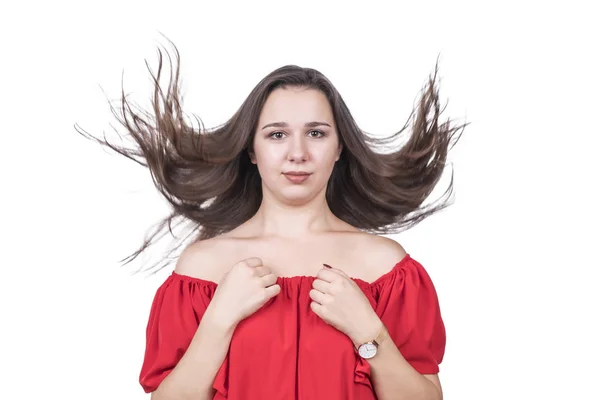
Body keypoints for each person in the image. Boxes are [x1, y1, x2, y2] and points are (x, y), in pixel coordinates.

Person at [78, 44, 465, 400]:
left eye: (316, 133)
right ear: (251, 149)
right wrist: (219, 319)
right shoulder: (202, 268)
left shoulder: (387, 268)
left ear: (338, 148)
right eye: (277, 134)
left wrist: (369, 332)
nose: (297, 153)